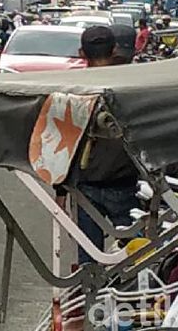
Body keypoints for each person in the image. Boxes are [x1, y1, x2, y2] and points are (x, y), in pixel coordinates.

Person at [74, 25, 140, 264]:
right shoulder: (133, 83)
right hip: (126, 181)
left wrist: (60, 189)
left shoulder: (74, 88)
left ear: (82, 53)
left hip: (85, 184)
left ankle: (90, 295)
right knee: (136, 254)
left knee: (89, 257)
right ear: (113, 49)